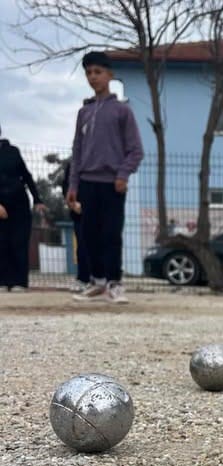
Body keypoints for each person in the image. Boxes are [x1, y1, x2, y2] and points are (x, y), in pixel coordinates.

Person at [67, 51, 143, 304]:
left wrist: (123, 174)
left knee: (111, 234)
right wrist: (73, 185)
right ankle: (97, 281)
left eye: (98, 72)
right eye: (88, 73)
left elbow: (136, 150)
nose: (93, 77)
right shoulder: (84, 112)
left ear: (110, 75)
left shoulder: (122, 111)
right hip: (87, 182)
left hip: (112, 184)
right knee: (89, 235)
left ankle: (114, 283)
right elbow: (77, 150)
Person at [0, 126, 46, 291]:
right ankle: (3, 281)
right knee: (2, 243)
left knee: (19, 241)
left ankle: (19, 282)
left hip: (19, 202)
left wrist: (37, 199)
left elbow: (26, 176)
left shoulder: (12, 152)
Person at [61, 158, 91, 292]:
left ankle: (102, 279)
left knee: (101, 246)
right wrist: (73, 204)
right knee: (82, 246)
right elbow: (66, 187)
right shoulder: (73, 164)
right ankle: (83, 279)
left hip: (98, 211)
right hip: (79, 213)